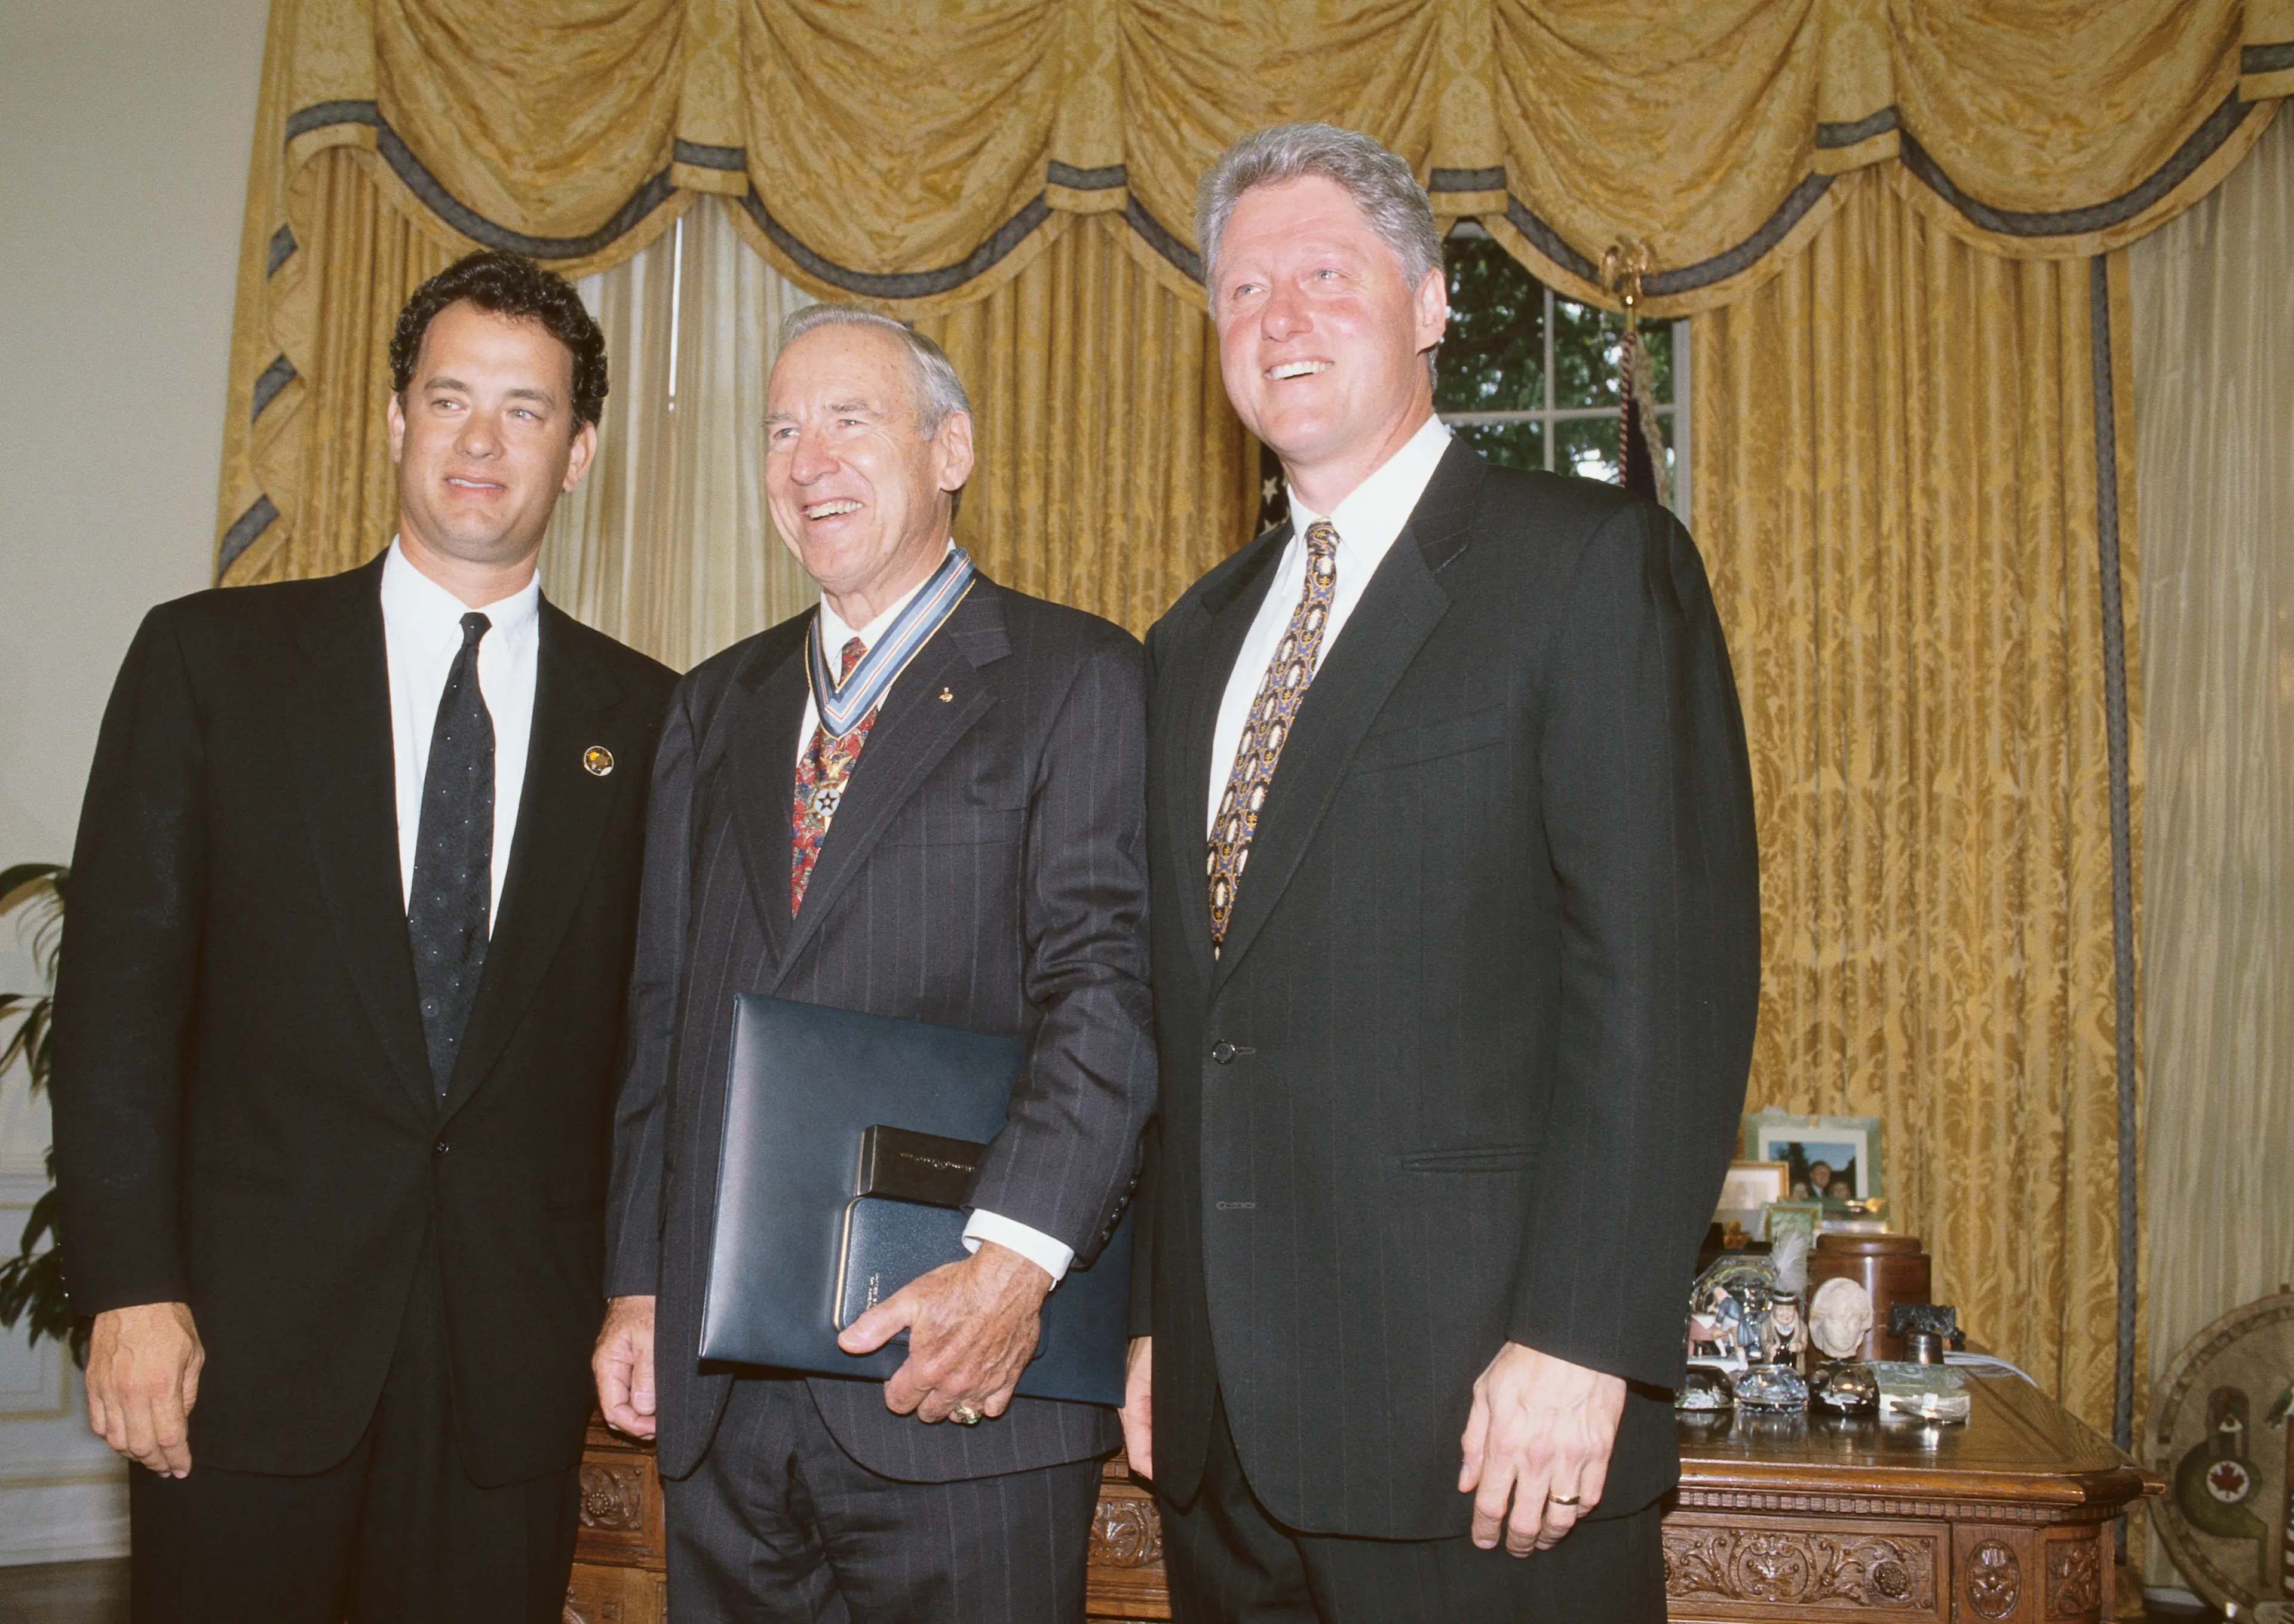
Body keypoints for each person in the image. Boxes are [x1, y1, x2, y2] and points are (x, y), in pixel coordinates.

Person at [1123, 124, 1762, 1623]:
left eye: (1325, 276)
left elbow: (1662, 982)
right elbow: (1186, 1015)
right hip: (1222, 1451)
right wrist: (1158, 1322)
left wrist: (1587, 1337)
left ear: (1428, 305)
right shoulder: (1188, 640)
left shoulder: (1592, 566)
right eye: (1242, 289)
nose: (1278, 317)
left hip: (1488, 1436)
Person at [50, 250, 678, 1621]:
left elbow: (657, 1050)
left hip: (506, 1381)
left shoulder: (651, 724)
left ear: (579, 453)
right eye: (450, 399)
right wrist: (130, 1290)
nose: (480, 441)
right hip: (234, 1359)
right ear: (396, 421)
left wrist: (642, 1290)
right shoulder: (209, 665)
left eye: (524, 410)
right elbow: (114, 1010)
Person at [593, 305, 1155, 1623]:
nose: (809, 462)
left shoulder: (1078, 678)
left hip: (960, 1381)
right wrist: (638, 1280)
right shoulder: (712, 705)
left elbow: (1108, 997)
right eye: (781, 430)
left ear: (951, 450)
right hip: (724, 1399)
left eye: (851, 421)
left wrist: (1011, 1271)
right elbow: (664, 1015)